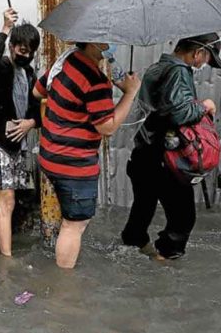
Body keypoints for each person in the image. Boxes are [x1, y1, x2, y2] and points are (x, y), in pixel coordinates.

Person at [33, 42, 141, 268]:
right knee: (74, 225)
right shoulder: (95, 80)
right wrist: (130, 93)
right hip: (74, 165)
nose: (112, 45)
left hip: (49, 156)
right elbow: (107, 128)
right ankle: (64, 288)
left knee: (68, 222)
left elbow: (36, 91)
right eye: (108, 40)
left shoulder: (64, 61)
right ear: (95, 42)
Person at [121, 34, 219, 259]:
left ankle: (133, 245)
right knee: (183, 217)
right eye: (205, 57)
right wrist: (204, 106)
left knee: (143, 207)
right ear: (197, 53)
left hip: (144, 153)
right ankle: (166, 261)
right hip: (166, 158)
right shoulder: (179, 71)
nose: (204, 63)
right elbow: (179, 113)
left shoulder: (156, 68)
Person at [0, 8, 42, 257]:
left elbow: (37, 110)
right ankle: (6, 261)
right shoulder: (2, 69)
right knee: (8, 202)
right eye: (22, 50)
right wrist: (5, 29)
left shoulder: (28, 74)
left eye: (30, 52)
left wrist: (30, 123)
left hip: (18, 145)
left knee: (2, 199)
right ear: (13, 47)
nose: (26, 56)